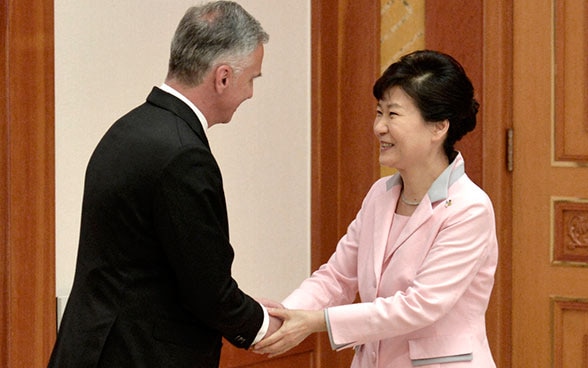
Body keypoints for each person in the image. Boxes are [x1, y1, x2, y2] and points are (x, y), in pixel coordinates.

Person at [48, 2, 281, 367]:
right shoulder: (184, 155)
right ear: (222, 77)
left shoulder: (127, 130)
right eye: (251, 78)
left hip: (90, 350)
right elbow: (207, 288)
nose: (251, 93)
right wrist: (263, 325)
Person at [254, 50, 498, 367]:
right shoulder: (379, 195)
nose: (379, 127)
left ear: (438, 127)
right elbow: (336, 278)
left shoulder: (469, 208)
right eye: (378, 112)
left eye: (393, 115)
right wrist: (285, 316)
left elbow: (419, 306)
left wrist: (317, 321)